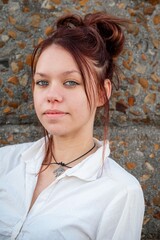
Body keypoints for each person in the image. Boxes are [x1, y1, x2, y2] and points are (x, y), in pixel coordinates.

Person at [0, 12, 144, 240]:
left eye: (70, 82)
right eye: (42, 82)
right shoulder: (5, 162)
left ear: (101, 93)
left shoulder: (120, 191)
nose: (51, 95)